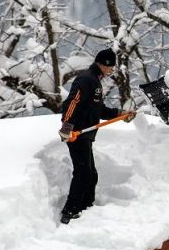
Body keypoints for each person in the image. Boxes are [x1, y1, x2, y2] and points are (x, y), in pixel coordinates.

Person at [58, 48, 135, 224]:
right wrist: (67, 125)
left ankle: (86, 208)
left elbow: (98, 110)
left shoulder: (95, 82)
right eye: (111, 67)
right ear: (104, 64)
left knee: (91, 175)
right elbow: (72, 102)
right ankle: (70, 212)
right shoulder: (86, 79)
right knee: (83, 174)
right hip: (77, 133)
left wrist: (120, 113)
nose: (111, 71)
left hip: (86, 134)